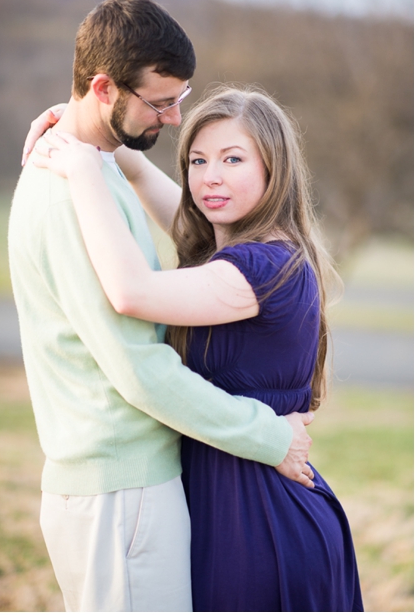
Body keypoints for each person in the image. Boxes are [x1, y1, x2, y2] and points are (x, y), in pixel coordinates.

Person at [7, 0, 316, 612]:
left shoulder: (91, 173)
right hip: (119, 490)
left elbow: (179, 210)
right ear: (103, 88)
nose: (175, 119)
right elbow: (138, 365)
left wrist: (85, 139)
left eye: (182, 97)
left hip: (138, 484)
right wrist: (268, 435)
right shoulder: (74, 191)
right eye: (162, 102)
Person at [30, 85, 363, 611]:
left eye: (233, 159)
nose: (210, 177)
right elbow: (141, 174)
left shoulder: (262, 268)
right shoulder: (221, 247)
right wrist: (79, 122)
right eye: (197, 160)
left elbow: (131, 292)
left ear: (274, 169)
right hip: (231, 503)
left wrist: (84, 172)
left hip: (260, 523)